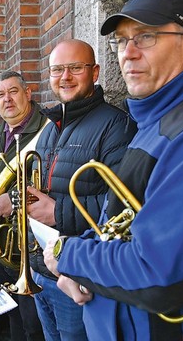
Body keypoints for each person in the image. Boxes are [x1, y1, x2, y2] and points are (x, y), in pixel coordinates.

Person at [43, 0, 183, 341]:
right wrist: (80, 269)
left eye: (146, 37)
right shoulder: (155, 123)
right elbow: (118, 225)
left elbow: (160, 274)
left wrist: (67, 254)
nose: (128, 53)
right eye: (121, 40)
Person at [25, 40, 137, 341]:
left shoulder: (116, 125)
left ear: (95, 72)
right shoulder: (50, 128)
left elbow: (125, 206)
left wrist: (56, 211)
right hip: (41, 271)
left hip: (78, 278)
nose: (65, 77)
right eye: (57, 70)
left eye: (75, 68)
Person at [0, 71, 47, 341]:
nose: (6, 100)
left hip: (32, 244)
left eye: (13, 92)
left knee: (33, 322)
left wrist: (14, 199)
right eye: (0, 94)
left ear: (28, 93)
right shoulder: (2, 131)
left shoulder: (45, 129)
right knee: (13, 313)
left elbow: (49, 180)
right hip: (5, 242)